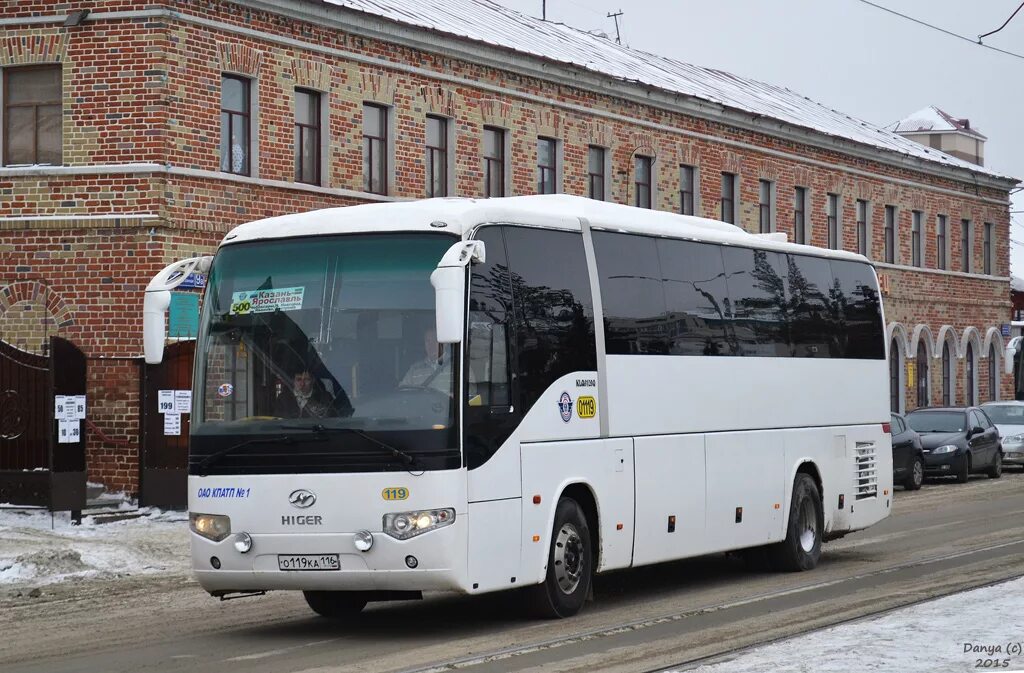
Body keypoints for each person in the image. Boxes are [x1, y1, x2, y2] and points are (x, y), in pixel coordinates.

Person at [400, 328, 451, 393]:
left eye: (435, 340)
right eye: (428, 341)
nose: (431, 345)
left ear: (445, 343)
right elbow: (402, 393)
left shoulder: (458, 366)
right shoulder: (414, 369)